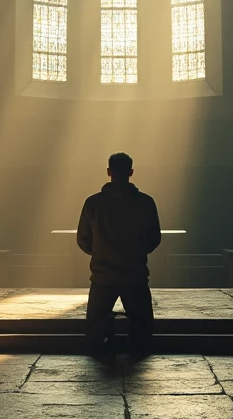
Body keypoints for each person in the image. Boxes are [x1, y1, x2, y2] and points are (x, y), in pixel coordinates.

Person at [77, 152, 162, 356]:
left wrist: (100, 253)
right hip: (135, 275)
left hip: (103, 276)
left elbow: (83, 239)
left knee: (94, 331)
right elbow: (154, 238)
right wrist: (136, 253)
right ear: (131, 172)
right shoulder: (145, 202)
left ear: (109, 172)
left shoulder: (93, 203)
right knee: (143, 331)